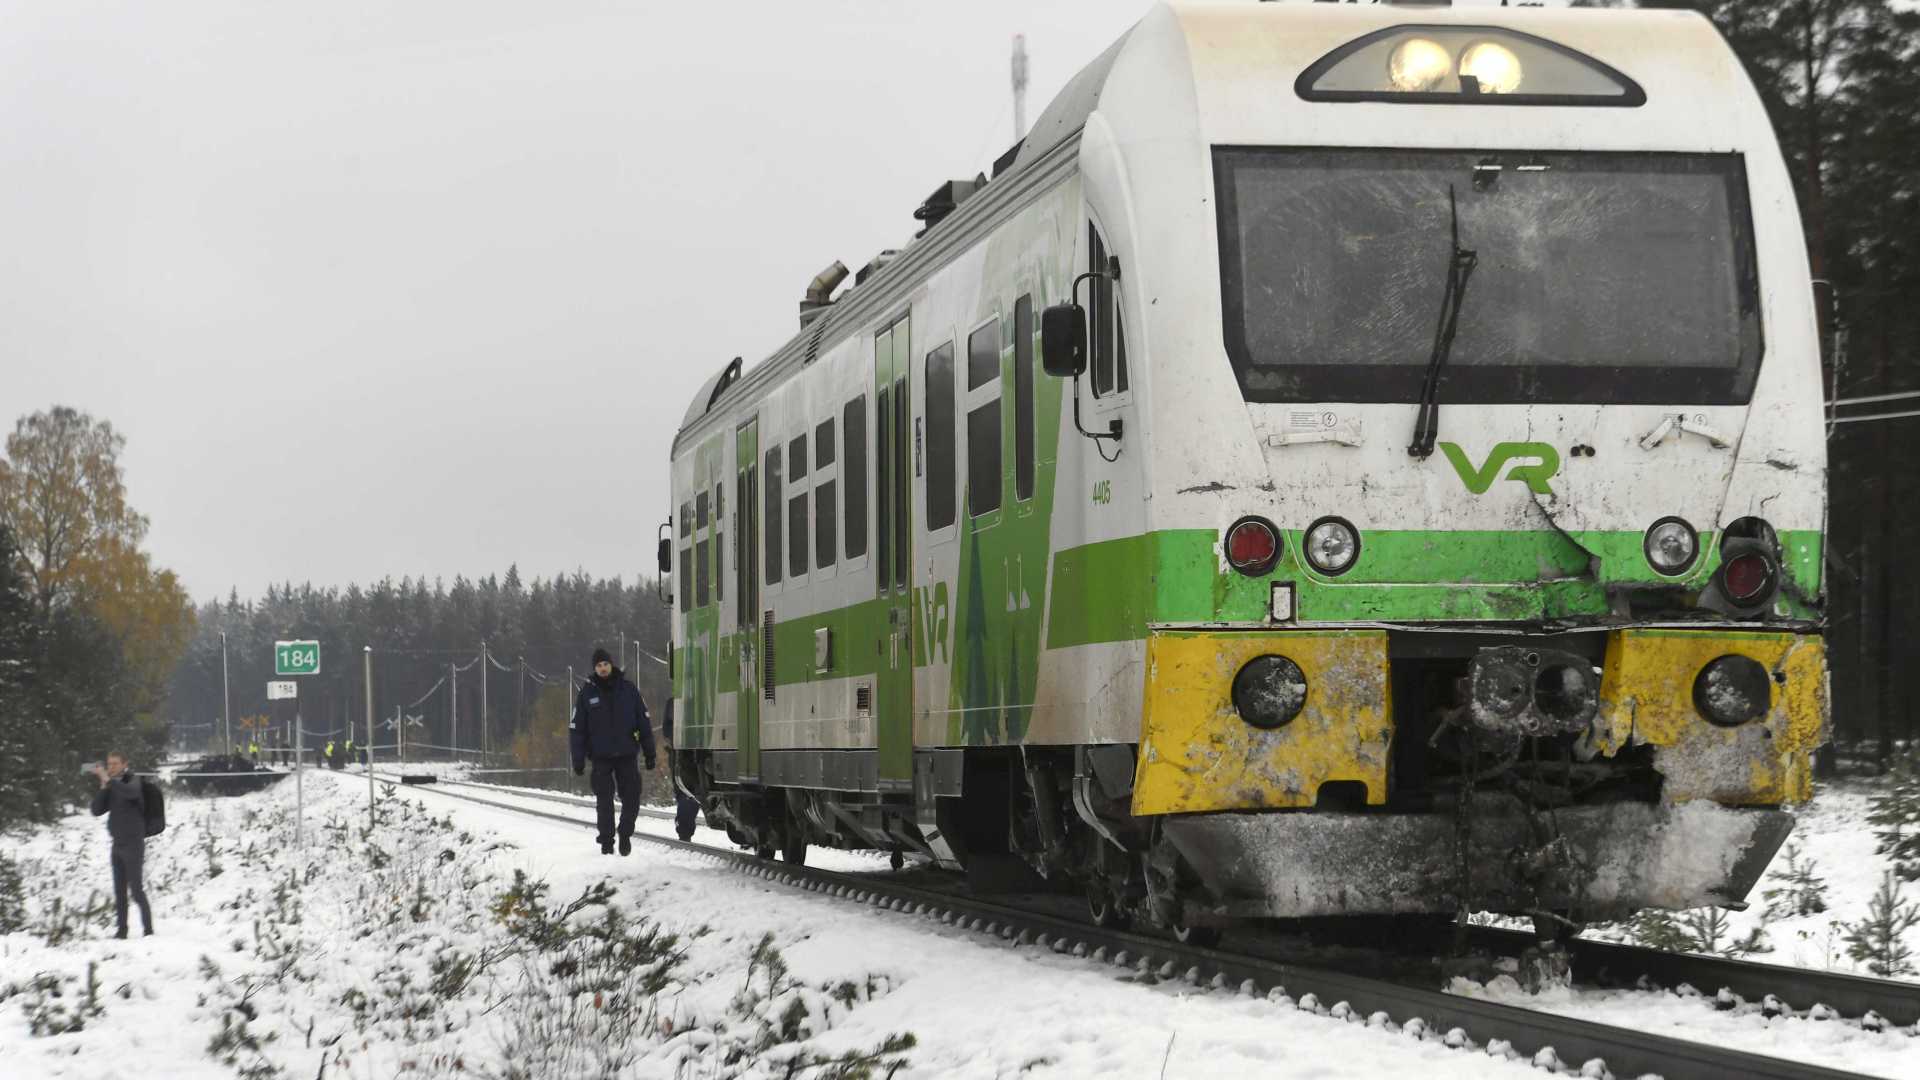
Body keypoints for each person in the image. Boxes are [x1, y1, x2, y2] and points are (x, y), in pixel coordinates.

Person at [570, 647, 655, 855]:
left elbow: (643, 721)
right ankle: (607, 842)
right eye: (598, 665)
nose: (603, 668)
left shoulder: (628, 690)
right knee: (604, 801)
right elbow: (577, 729)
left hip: (627, 754)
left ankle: (625, 832)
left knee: (632, 796)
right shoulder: (586, 694)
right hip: (601, 757)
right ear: (595, 669)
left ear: (611, 664)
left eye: (605, 664)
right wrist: (578, 759)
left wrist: (649, 751)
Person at [89, 751, 153, 939]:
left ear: (125, 764)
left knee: (136, 890)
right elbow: (96, 810)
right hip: (117, 845)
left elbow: (131, 793)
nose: (111, 767)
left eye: (115, 764)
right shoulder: (111, 786)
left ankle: (148, 931)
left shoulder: (133, 781)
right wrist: (103, 787)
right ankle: (121, 930)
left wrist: (110, 781)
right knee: (119, 891)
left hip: (133, 844)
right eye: (109, 764)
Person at [661, 697, 698, 842]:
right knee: (689, 793)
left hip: (681, 755)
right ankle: (684, 830)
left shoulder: (674, 702)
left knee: (686, 793)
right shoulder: (675, 703)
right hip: (687, 754)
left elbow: (667, 730)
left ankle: (684, 831)